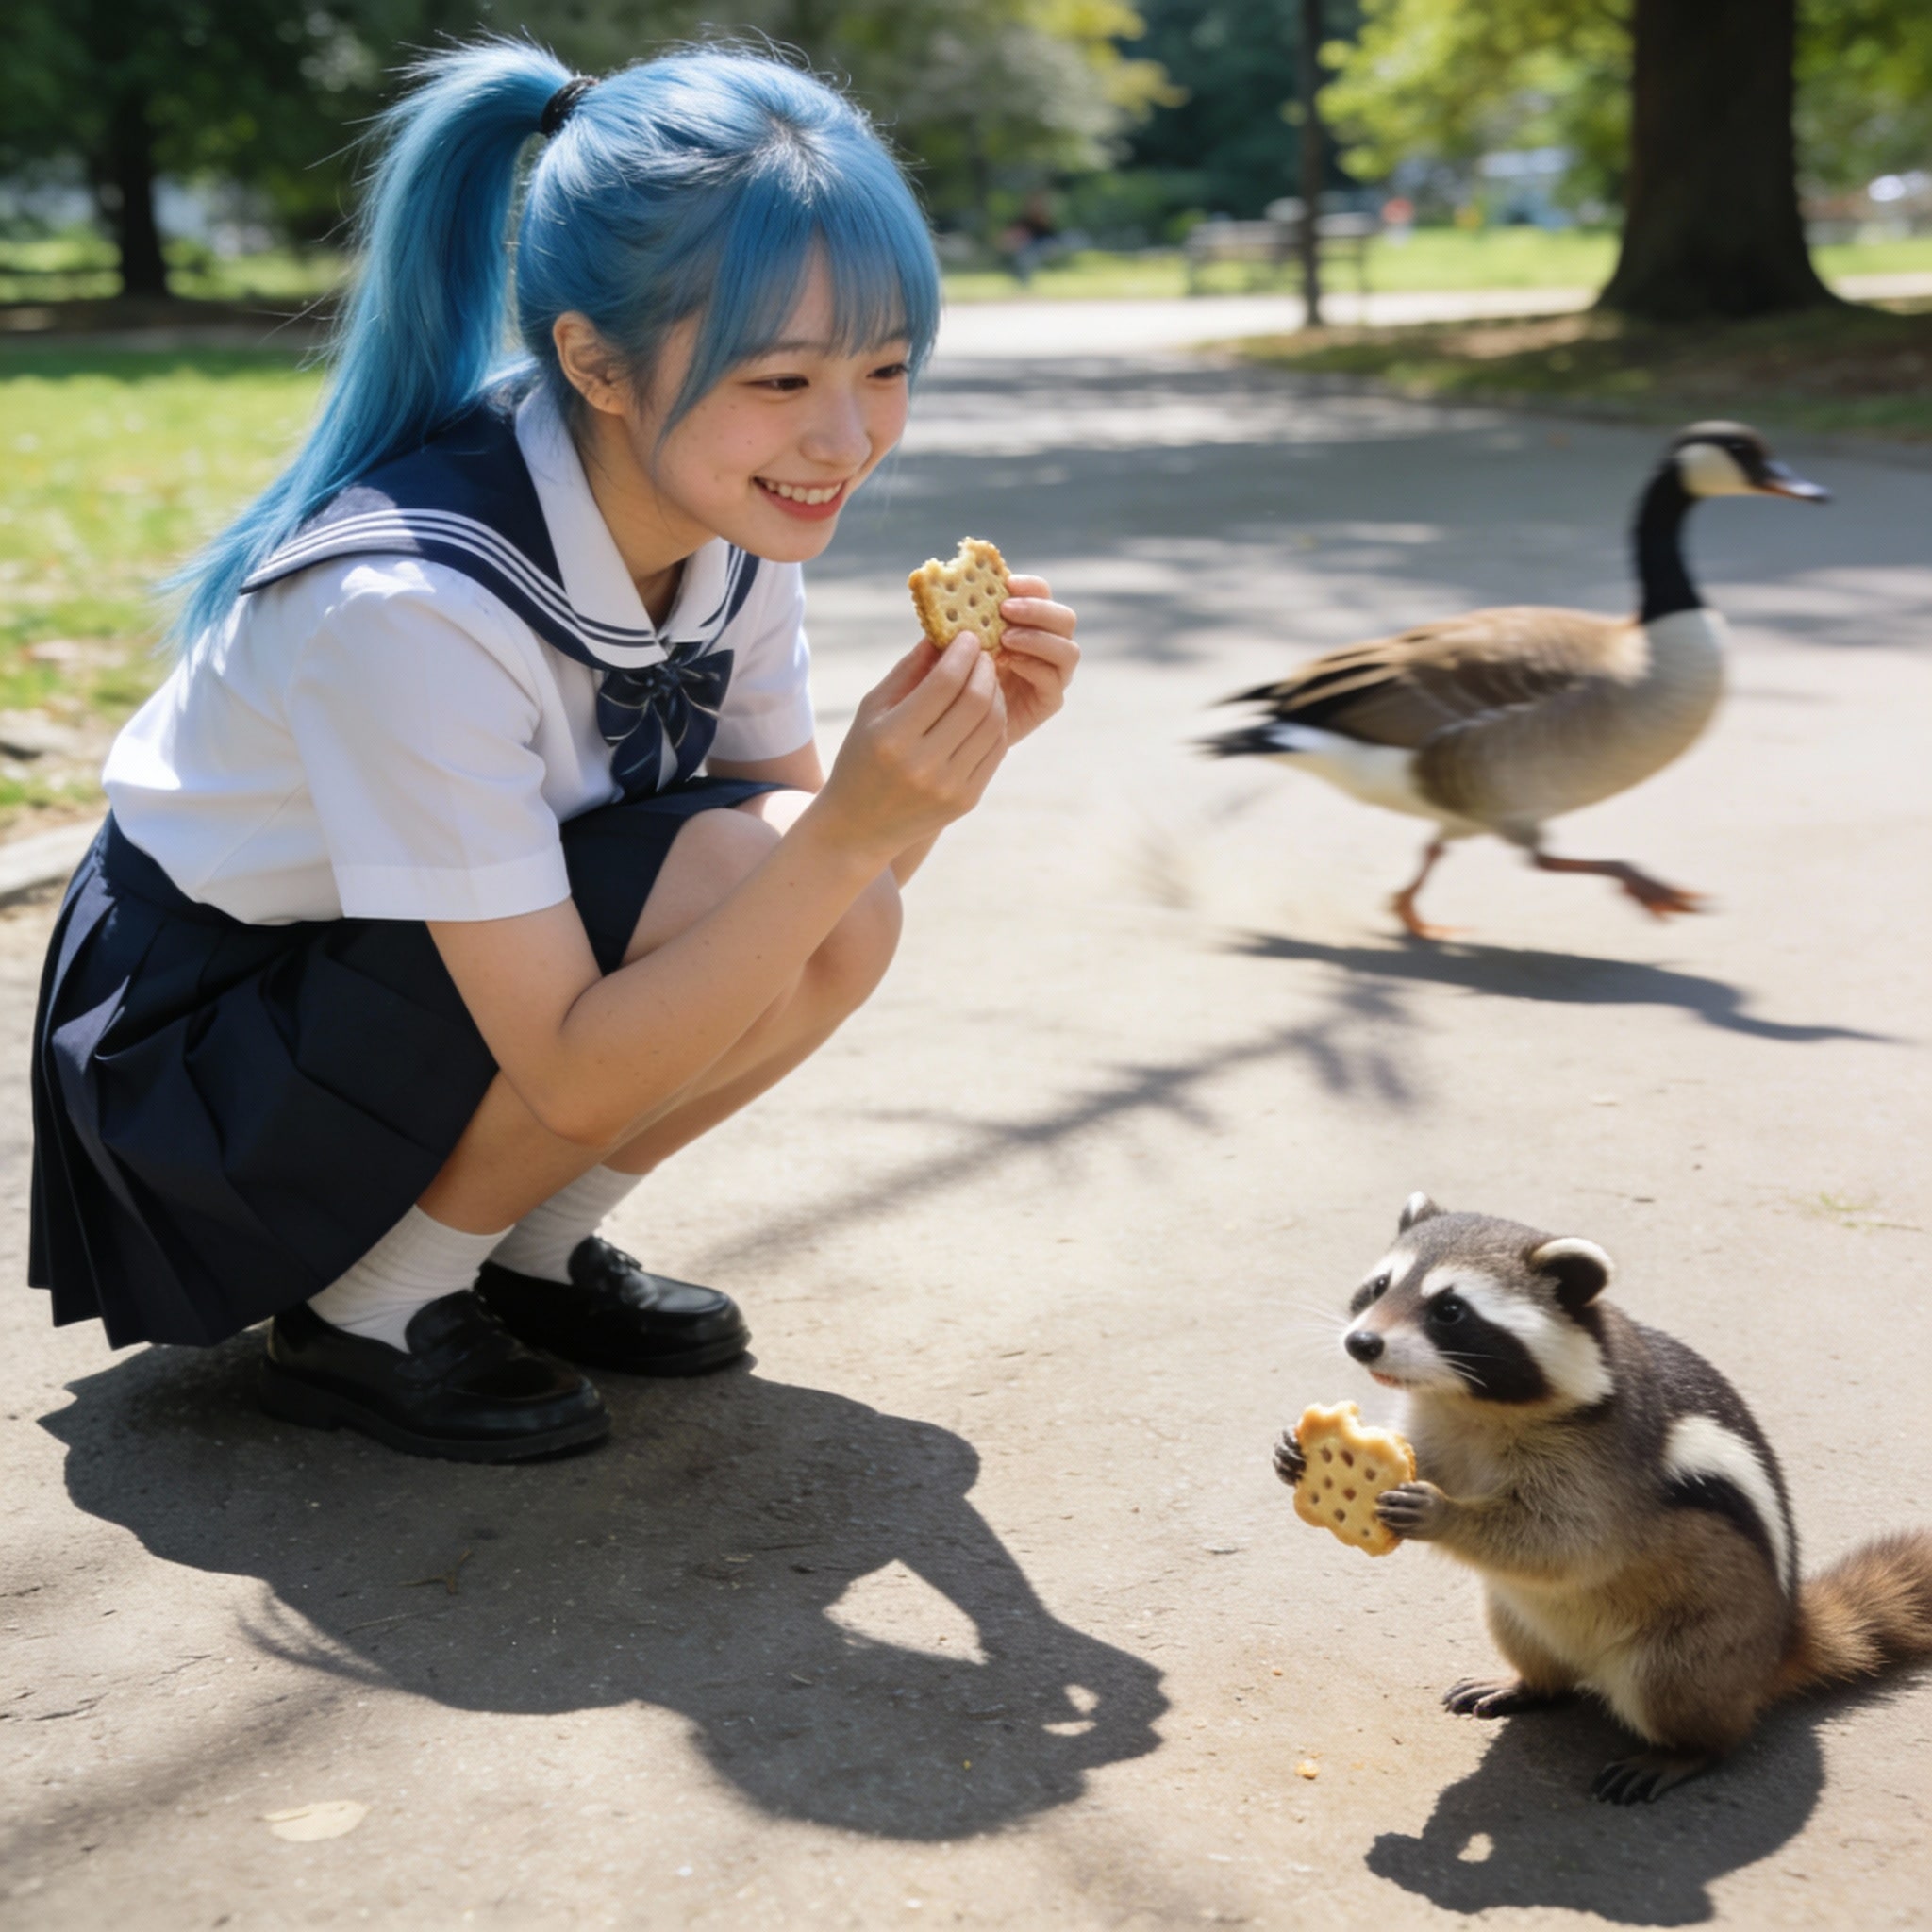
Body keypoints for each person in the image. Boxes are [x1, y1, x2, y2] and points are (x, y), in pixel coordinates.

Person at [28, 42, 1078, 1463]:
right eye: (780, 379)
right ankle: (366, 1307)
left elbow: (809, 894)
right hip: (217, 1067)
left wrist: (943, 772)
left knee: (823, 905)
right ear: (592, 359)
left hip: (414, 990)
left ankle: (528, 1248)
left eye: (885, 368)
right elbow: (618, 1030)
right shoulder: (406, 606)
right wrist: (850, 830)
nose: (846, 438)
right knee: (777, 877)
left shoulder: (730, 518)